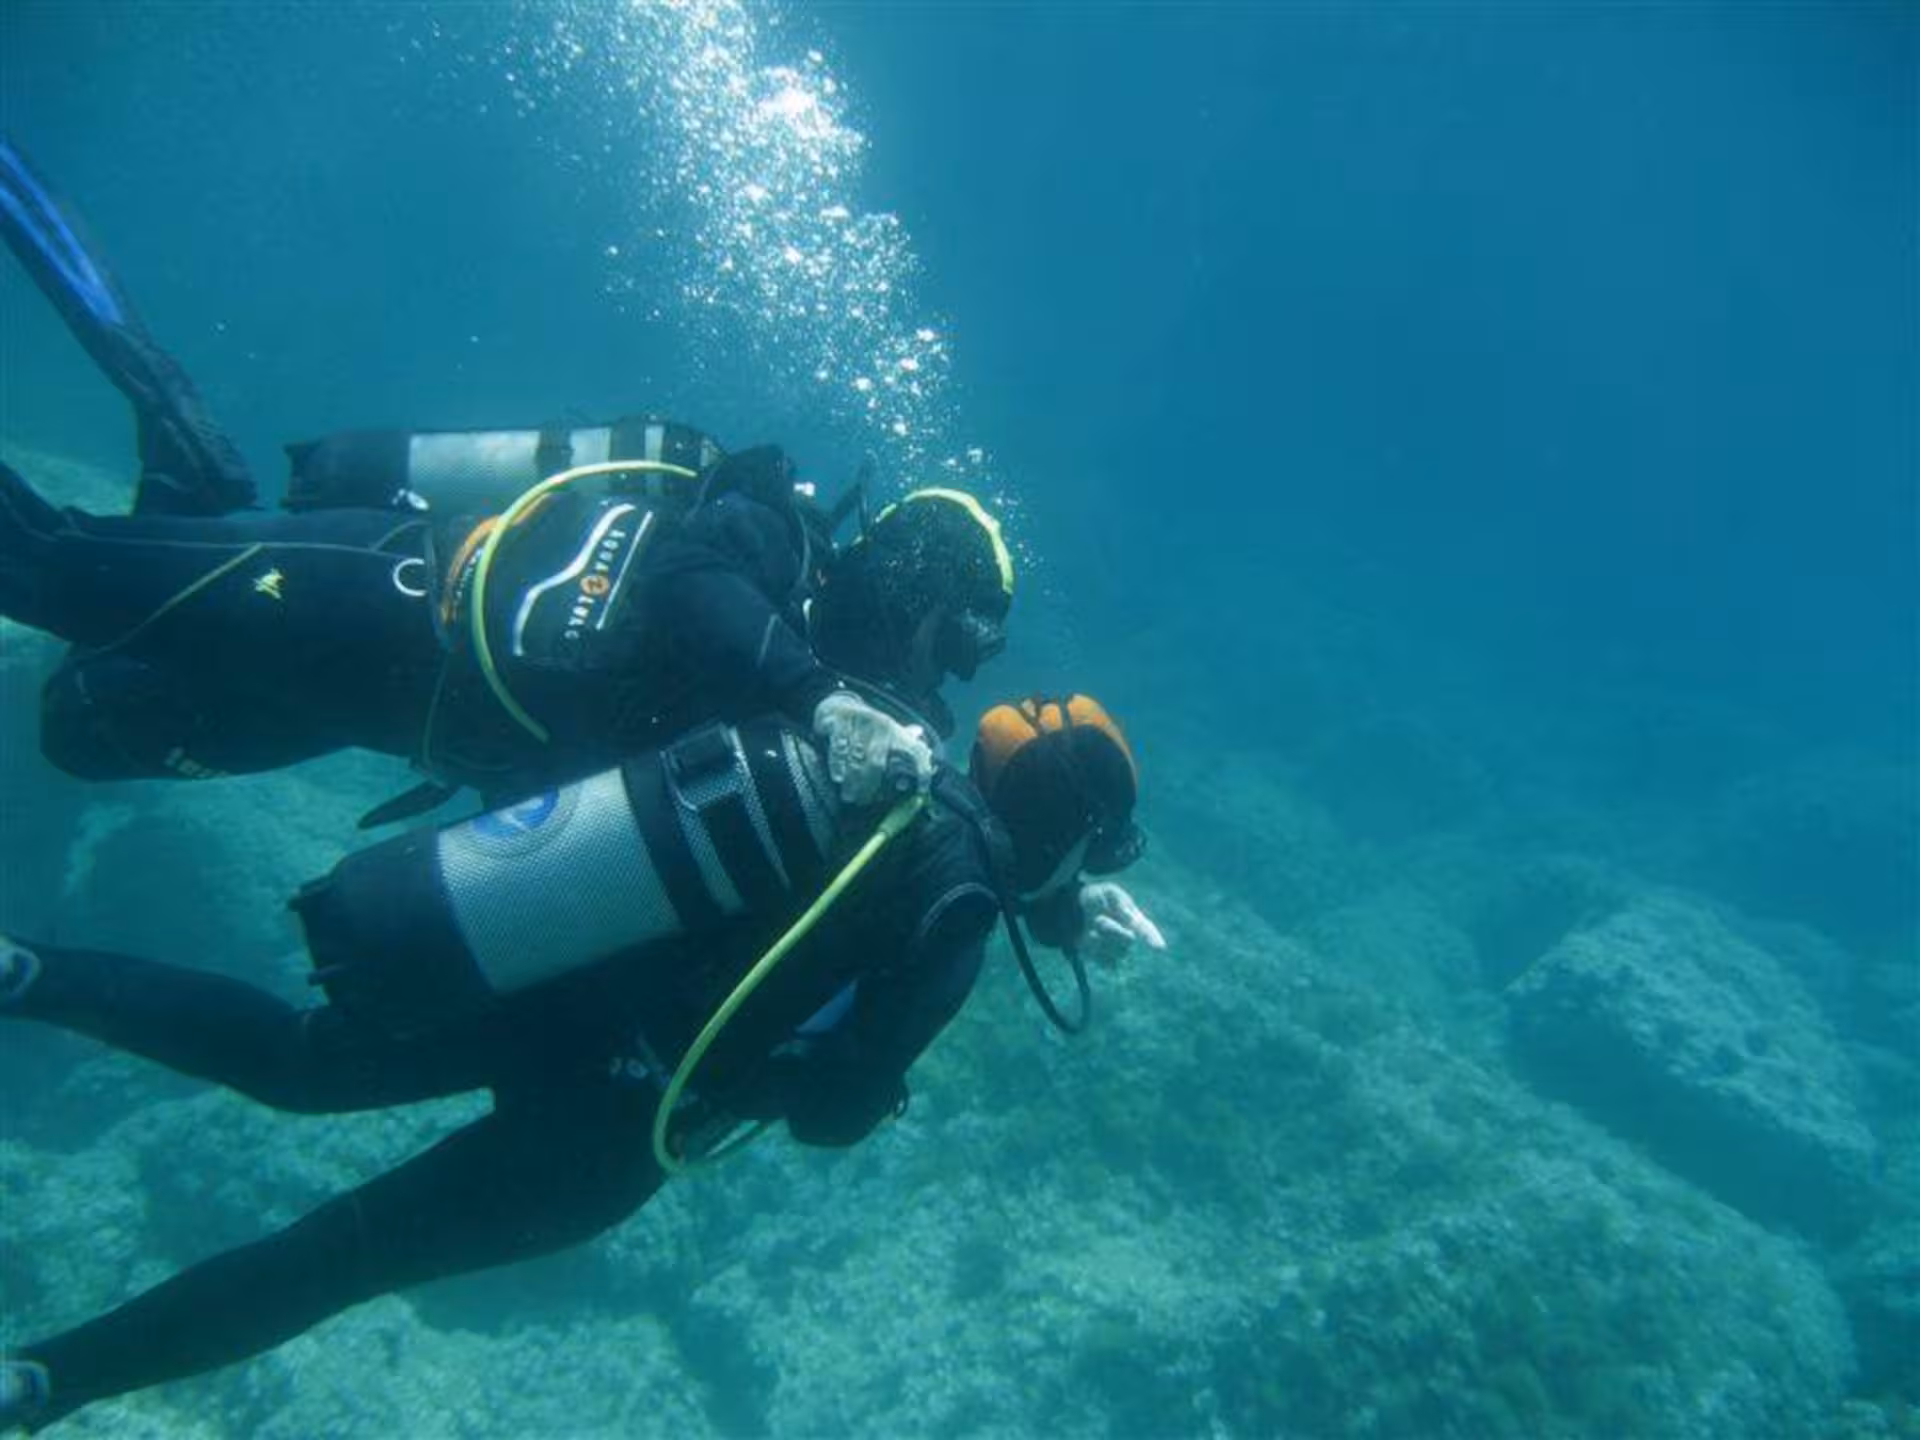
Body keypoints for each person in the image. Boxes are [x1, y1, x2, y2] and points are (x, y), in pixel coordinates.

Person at [0, 692, 1164, 1432]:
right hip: (614, 1128)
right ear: (1066, 837)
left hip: (559, 982)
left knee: (298, 1060)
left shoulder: (887, 770)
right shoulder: (959, 920)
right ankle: (50, 1381)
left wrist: (1055, 909)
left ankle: (28, 974)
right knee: (340, 1254)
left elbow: (917, 888)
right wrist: (876, 1083)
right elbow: (835, 1110)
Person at [0, 133, 1012, 809]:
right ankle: (160, 400)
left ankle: (192, 473)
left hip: (393, 710)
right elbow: (682, 581)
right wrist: (818, 697)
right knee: (42, 567)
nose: (944, 677)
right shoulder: (775, 548)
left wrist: (1050, 885)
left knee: (90, 722)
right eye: (958, 643)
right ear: (917, 585)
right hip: (390, 597)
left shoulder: (816, 687)